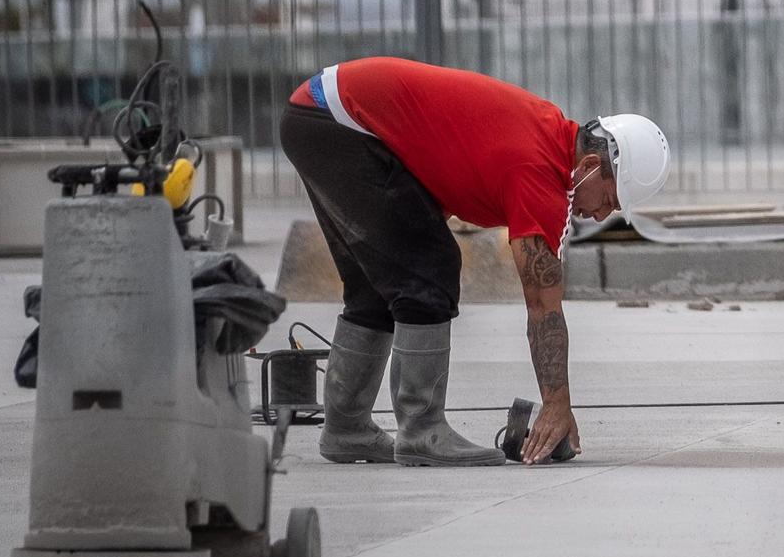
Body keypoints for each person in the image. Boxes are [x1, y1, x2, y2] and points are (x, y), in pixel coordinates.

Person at [278, 57, 668, 466]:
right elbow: (542, 304)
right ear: (589, 167)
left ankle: (347, 429)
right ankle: (421, 431)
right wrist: (556, 405)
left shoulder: (546, 134)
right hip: (340, 121)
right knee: (429, 269)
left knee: (380, 282)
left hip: (322, 115)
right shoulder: (539, 171)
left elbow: (442, 166)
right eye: (609, 200)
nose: (602, 215)